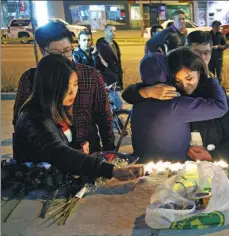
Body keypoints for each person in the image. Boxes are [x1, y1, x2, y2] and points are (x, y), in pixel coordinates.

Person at [122, 31, 229, 162]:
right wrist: (145, 91)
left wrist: (213, 155)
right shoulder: (165, 91)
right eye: (196, 53)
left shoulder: (214, 93)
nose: (202, 58)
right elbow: (129, 95)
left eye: (206, 53)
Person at [14, 55, 138, 181]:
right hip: (35, 190)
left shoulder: (59, 109)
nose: (73, 92)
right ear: (50, 86)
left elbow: (62, 147)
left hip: (56, 184)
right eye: (66, 86)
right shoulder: (34, 118)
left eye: (75, 84)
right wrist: (111, 171)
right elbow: (58, 153)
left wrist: (77, 149)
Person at [13, 21, 115, 154]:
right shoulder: (30, 79)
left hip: (89, 156)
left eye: (67, 51)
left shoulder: (90, 75)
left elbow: (104, 116)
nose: (64, 59)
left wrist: (109, 151)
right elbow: (20, 121)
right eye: (55, 54)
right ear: (41, 50)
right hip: (48, 162)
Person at [96, 24, 123, 110]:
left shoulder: (115, 44)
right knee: (117, 103)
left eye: (114, 31)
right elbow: (101, 64)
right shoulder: (101, 46)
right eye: (110, 31)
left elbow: (118, 62)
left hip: (116, 78)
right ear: (105, 32)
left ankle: (115, 120)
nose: (113, 33)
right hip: (109, 80)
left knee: (115, 104)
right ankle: (115, 121)